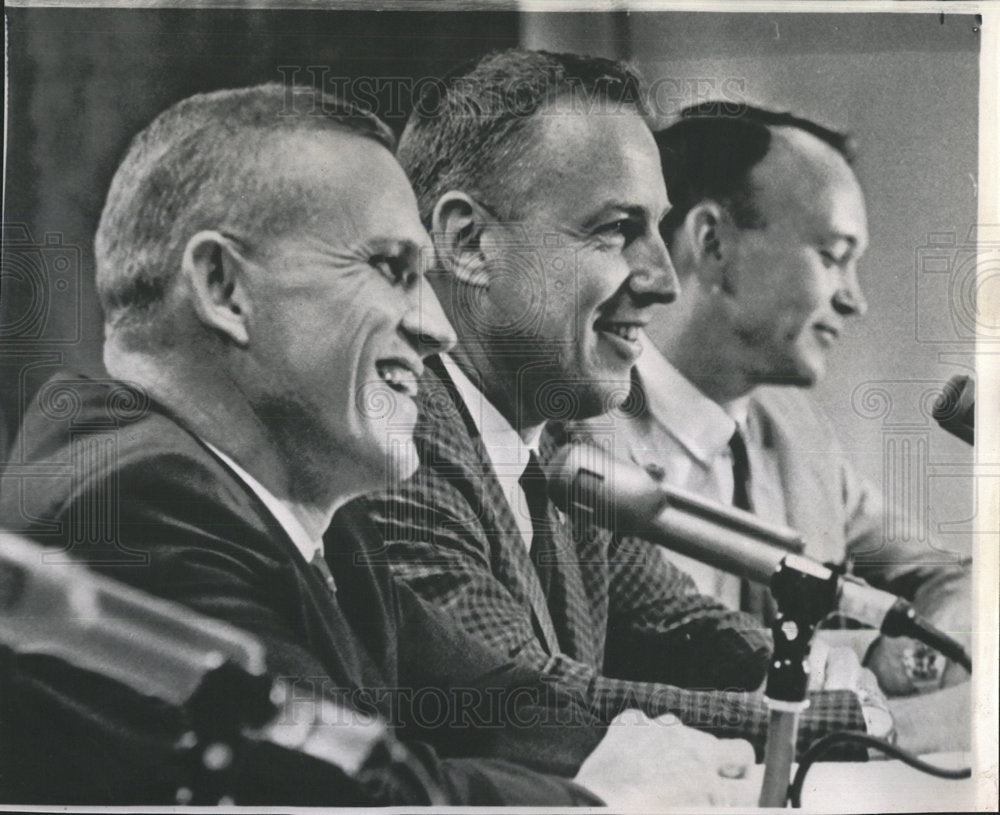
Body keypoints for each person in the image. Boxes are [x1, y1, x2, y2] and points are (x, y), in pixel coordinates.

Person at [0, 83, 756, 807]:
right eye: (393, 270)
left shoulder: (312, 503)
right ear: (225, 288)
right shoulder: (130, 505)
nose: (437, 327)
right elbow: (351, 799)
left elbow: (497, 701)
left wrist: (646, 755)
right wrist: (611, 796)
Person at [341, 48, 881, 765]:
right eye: (616, 229)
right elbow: (530, 704)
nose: (663, 280)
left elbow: (680, 624)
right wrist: (818, 718)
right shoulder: (394, 442)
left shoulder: (558, 435)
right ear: (469, 242)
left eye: (658, 228)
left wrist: (809, 670)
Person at [588, 102, 970, 745]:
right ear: (712, 243)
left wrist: (937, 647)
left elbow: (939, 575)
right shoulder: (580, 431)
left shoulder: (794, 429)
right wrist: (894, 694)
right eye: (832, 255)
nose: (855, 297)